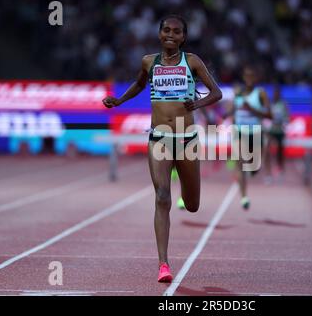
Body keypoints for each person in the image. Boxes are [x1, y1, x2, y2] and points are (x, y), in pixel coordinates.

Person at [102, 15, 222, 282]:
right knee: (162, 197)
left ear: (183, 37)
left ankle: (186, 202)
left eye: (176, 32)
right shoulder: (149, 62)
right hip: (159, 138)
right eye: (166, 30)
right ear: (159, 34)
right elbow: (139, 84)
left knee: (192, 205)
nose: (171, 35)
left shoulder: (192, 61)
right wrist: (119, 100)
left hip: (186, 139)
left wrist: (197, 105)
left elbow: (217, 93)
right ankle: (163, 264)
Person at [227, 65, 272, 209]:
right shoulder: (238, 93)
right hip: (240, 132)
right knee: (240, 162)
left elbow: (270, 115)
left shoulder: (260, 94)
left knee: (254, 166)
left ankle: (253, 169)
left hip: (255, 132)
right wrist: (231, 118)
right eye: (247, 76)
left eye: (252, 76)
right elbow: (233, 111)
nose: (249, 79)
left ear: (256, 78)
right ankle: (244, 197)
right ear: (244, 77)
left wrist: (252, 109)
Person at [263, 84, 289, 183]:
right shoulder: (269, 104)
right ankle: (268, 173)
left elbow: (287, 117)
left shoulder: (283, 104)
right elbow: (265, 117)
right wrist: (267, 125)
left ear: (279, 95)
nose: (276, 95)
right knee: (267, 151)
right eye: (274, 93)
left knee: (280, 152)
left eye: (277, 94)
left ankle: (280, 170)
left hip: (280, 130)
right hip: (271, 130)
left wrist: (283, 124)